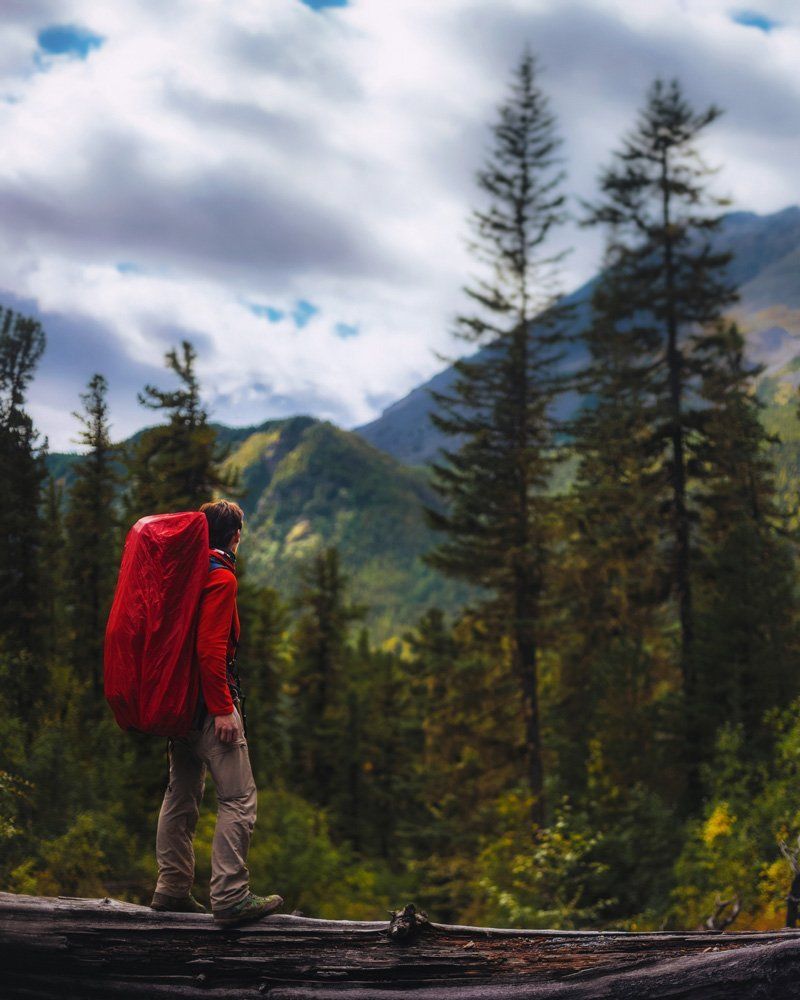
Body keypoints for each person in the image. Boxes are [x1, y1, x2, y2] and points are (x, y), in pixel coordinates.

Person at [150, 499, 283, 926]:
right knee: (239, 798)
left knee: (181, 794)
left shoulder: (187, 575)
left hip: (180, 707)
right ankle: (230, 895)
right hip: (210, 708)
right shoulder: (220, 578)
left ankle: (171, 889)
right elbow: (210, 649)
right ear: (235, 536)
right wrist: (224, 709)